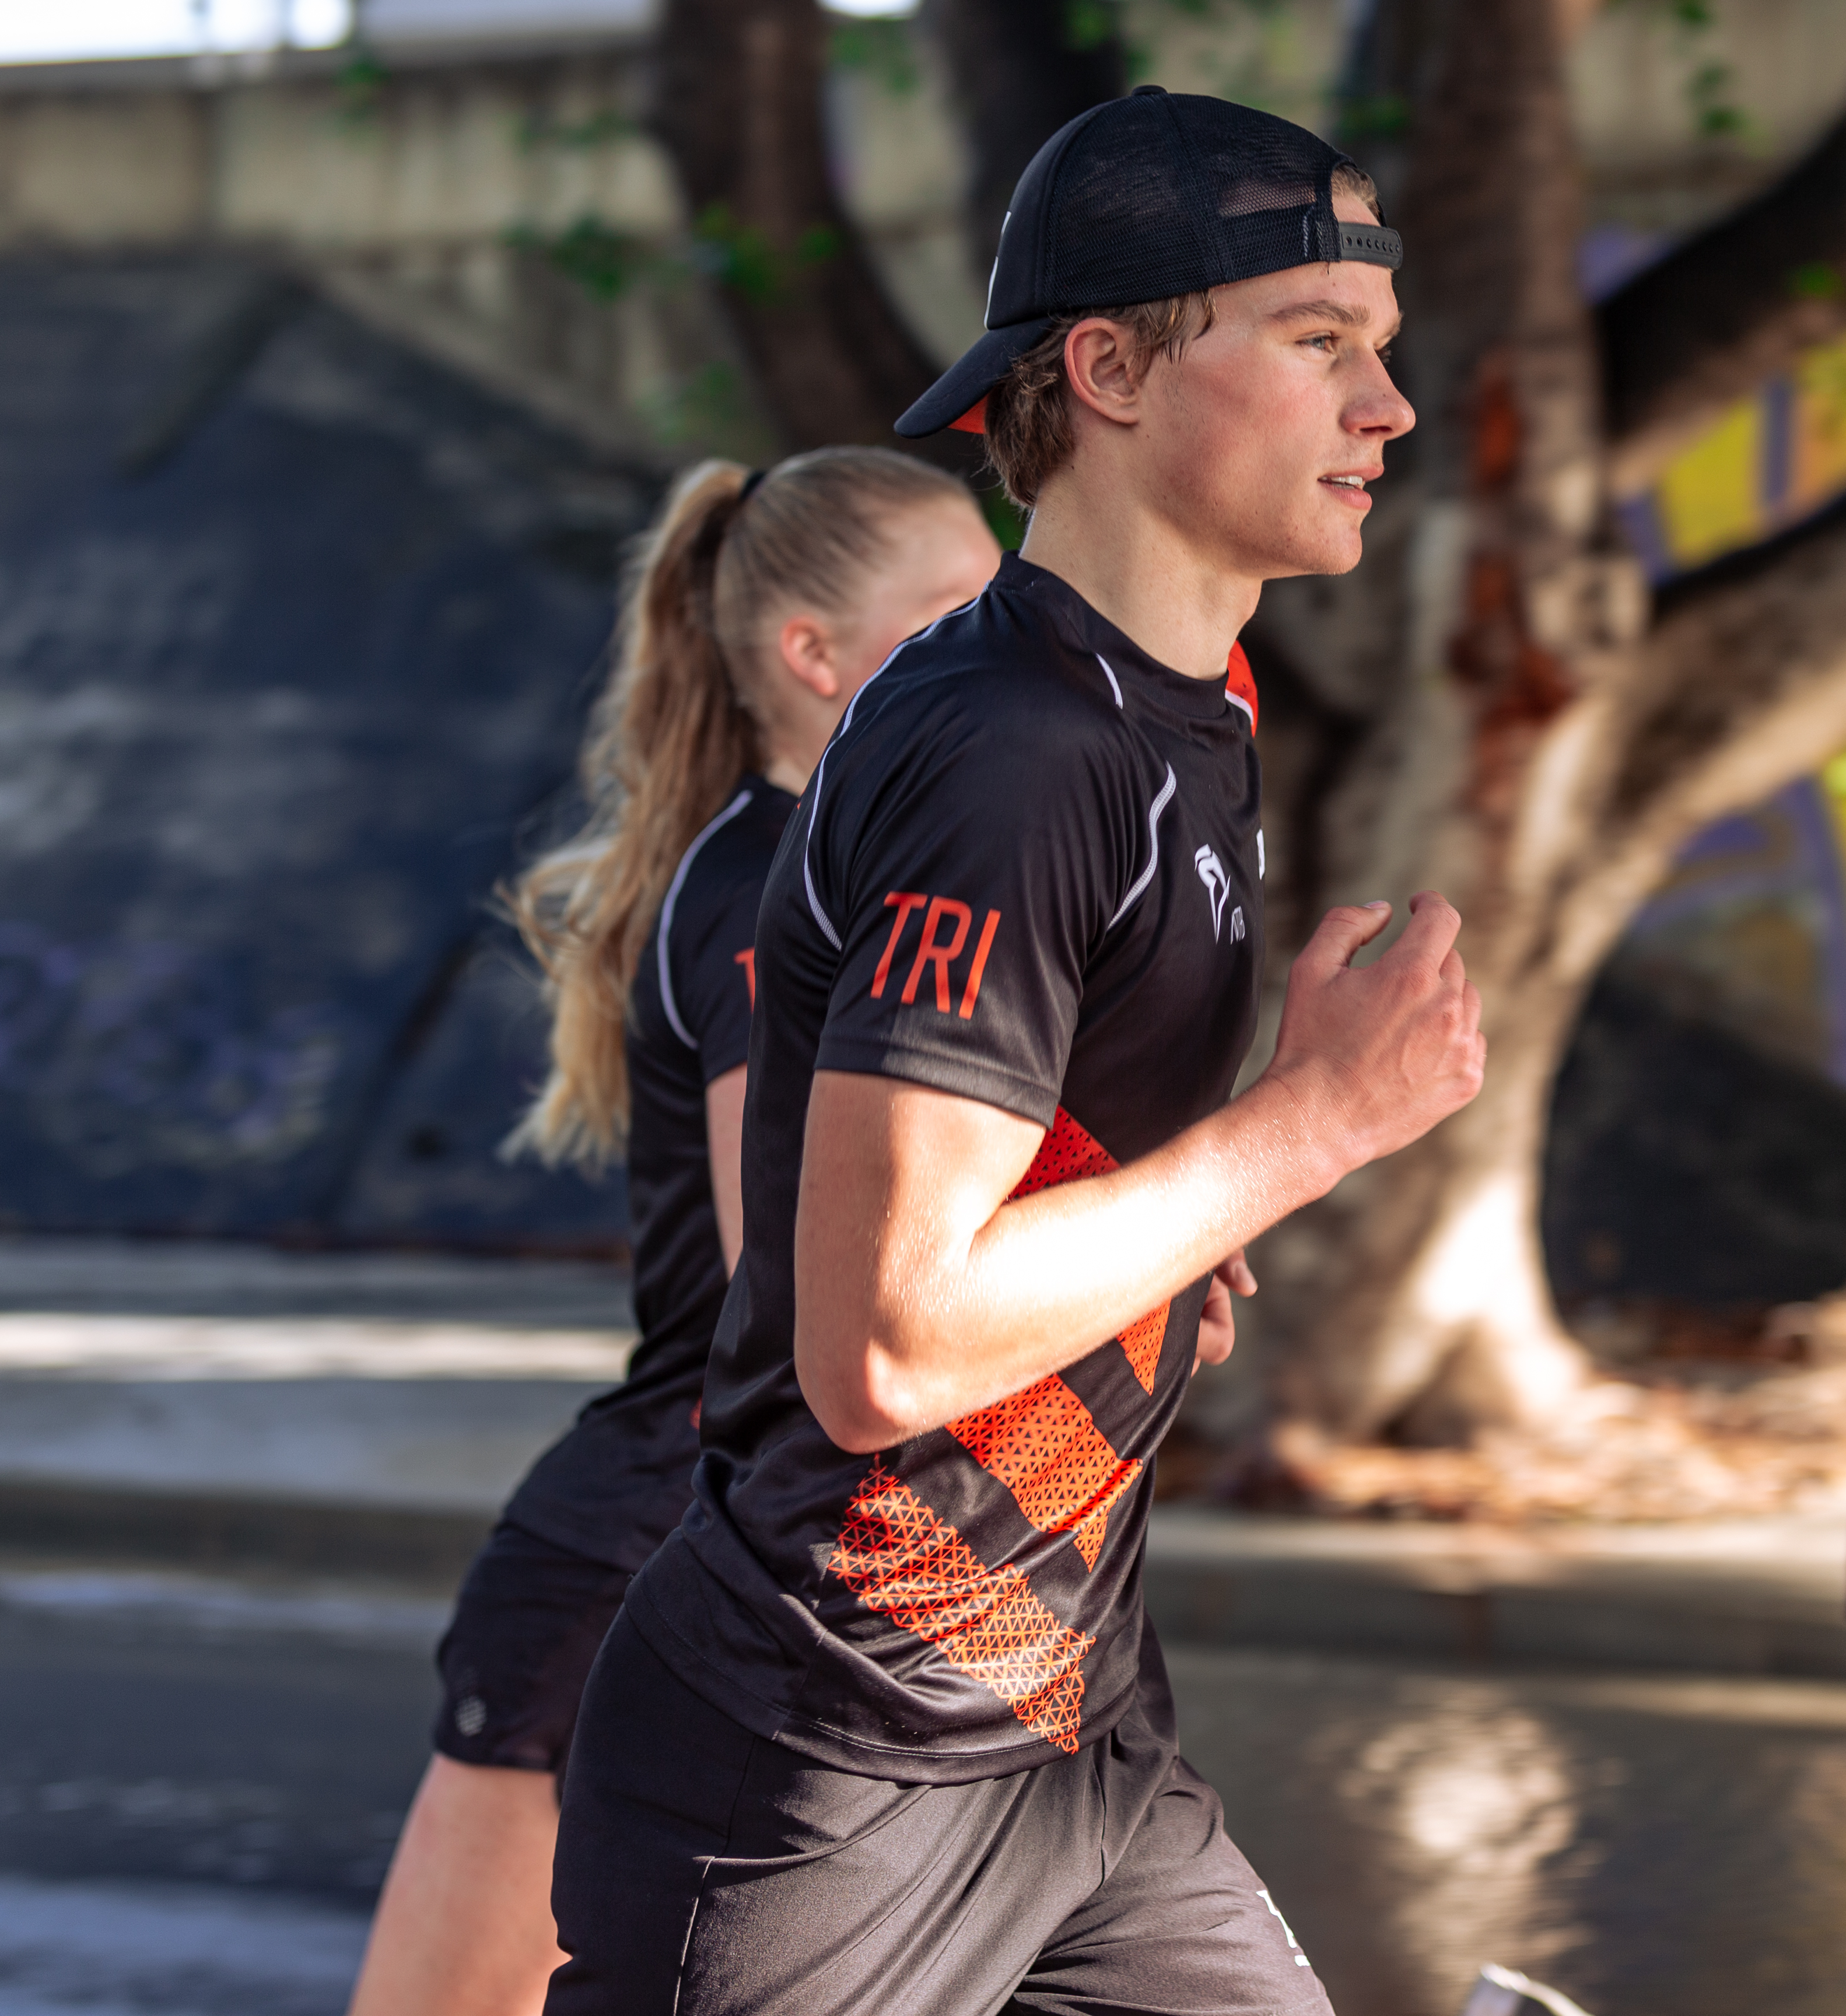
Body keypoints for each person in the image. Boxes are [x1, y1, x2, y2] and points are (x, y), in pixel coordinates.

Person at [545, 86, 1473, 2016]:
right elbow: (886, 1347)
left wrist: (1160, 1247)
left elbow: (1006, 1180)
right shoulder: (1018, 750)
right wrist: (1308, 1127)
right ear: (1110, 367)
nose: (1386, 409)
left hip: (1071, 1739)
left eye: (1377, 353)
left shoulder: (1185, 712)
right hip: (830, 1771)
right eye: (1317, 346)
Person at [347, 447, 1001, 2016]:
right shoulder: (771, 891)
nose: (1009, 656)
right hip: (652, 1563)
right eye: (959, 618)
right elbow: (800, 1285)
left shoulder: (854, 877)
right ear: (813, 657)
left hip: (840, 1562)